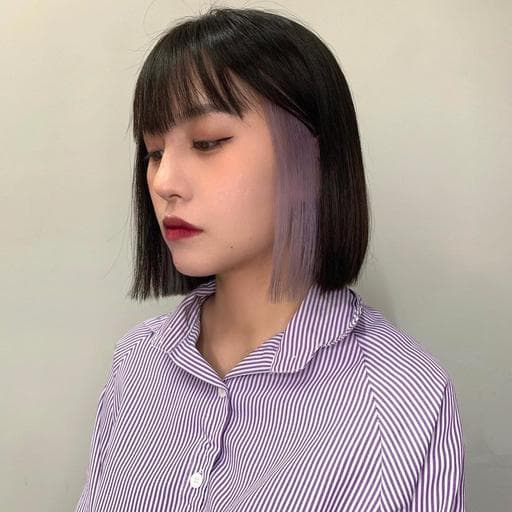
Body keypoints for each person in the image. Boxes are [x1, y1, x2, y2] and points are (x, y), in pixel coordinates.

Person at [75, 6, 465, 511]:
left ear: (311, 158)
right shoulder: (137, 363)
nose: (164, 182)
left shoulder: (402, 401)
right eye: (153, 152)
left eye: (207, 142)